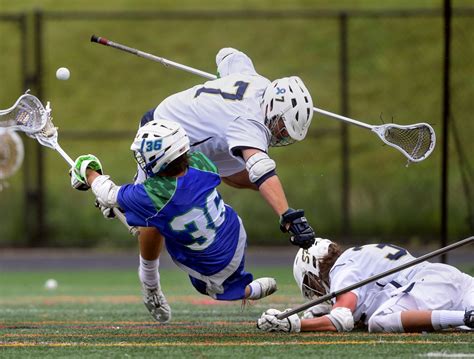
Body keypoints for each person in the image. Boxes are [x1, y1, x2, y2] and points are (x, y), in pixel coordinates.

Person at [129, 47, 317, 322]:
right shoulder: (250, 121)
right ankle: (149, 281)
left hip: (200, 144)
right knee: (155, 215)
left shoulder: (258, 82)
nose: (279, 134)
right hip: (164, 138)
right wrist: (287, 216)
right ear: (273, 108)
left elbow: (227, 54)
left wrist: (220, 79)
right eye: (280, 126)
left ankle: (127, 202)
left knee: (245, 176)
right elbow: (261, 168)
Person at [71, 119, 278, 322]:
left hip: (215, 263)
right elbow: (163, 200)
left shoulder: (156, 195)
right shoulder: (200, 162)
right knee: (159, 216)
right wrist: (123, 206)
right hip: (231, 230)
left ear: (159, 159)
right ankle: (150, 284)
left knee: (215, 289)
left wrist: (88, 171)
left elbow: (109, 194)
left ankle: (250, 290)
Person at [256, 239, 474, 333]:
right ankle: (466, 316)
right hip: (450, 280)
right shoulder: (354, 262)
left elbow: (341, 319)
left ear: (312, 269)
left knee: (380, 322)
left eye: (309, 283)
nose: (313, 291)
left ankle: (466, 318)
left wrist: (294, 325)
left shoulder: (341, 270)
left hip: (431, 284)